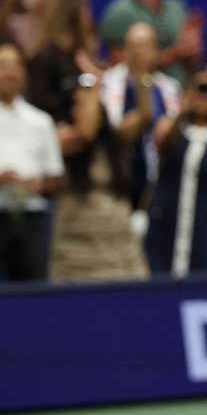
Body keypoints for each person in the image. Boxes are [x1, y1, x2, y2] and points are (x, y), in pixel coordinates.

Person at [50, 52, 149, 283]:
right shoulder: (62, 138)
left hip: (121, 250)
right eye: (78, 104)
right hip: (78, 254)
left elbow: (143, 116)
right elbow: (85, 133)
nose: (85, 107)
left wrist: (141, 77)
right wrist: (94, 82)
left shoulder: (114, 143)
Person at [144, 71, 207, 277]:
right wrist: (183, 108)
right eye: (199, 89)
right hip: (166, 217)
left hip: (204, 222)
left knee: (204, 276)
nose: (203, 96)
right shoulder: (173, 126)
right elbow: (161, 142)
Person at [0, 40, 64, 281]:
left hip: (32, 219)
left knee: (34, 290)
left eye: (15, 66)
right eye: (3, 65)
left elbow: (56, 179)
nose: (9, 73)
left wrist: (37, 185)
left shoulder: (41, 121)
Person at [101, 22, 181, 212]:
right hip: (121, 180)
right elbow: (113, 134)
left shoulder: (169, 87)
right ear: (124, 50)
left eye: (145, 45)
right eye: (133, 46)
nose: (139, 52)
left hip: (160, 182)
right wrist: (142, 113)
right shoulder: (107, 83)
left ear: (156, 50)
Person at [26, 0, 95, 123]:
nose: (88, 12)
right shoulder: (45, 57)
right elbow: (41, 103)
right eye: (84, 5)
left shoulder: (81, 55)